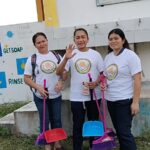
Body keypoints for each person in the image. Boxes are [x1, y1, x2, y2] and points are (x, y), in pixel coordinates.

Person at [56, 28, 104, 150]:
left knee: (93, 123)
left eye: (83, 37)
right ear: (74, 40)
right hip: (77, 97)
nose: (81, 39)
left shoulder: (95, 54)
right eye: (78, 37)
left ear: (88, 39)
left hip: (94, 95)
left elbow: (103, 74)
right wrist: (66, 58)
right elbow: (59, 72)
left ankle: (94, 146)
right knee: (77, 124)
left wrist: (96, 83)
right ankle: (77, 147)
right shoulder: (70, 54)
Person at [24, 32, 64, 150]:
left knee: (56, 119)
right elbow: (26, 78)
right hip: (40, 96)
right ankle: (47, 143)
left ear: (47, 41)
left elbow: (64, 73)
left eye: (43, 41)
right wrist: (38, 87)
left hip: (56, 95)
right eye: (38, 42)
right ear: (35, 45)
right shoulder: (32, 59)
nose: (42, 44)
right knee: (44, 120)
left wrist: (61, 82)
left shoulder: (56, 56)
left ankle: (57, 142)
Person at [103, 28, 142, 150]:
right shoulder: (108, 57)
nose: (113, 41)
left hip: (124, 100)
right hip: (111, 100)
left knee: (124, 132)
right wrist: (104, 84)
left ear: (123, 40)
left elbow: (137, 79)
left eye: (116, 38)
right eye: (110, 39)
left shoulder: (130, 56)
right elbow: (107, 77)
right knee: (119, 132)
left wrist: (135, 102)